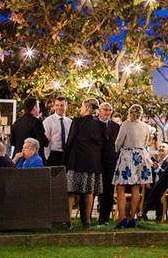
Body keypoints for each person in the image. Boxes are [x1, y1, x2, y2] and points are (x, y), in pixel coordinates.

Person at [63, 98, 104, 227]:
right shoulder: (100, 124)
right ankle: (87, 220)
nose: (80, 109)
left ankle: (67, 220)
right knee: (89, 191)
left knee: (71, 191)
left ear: (86, 108)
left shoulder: (77, 122)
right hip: (93, 163)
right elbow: (101, 144)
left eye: (81, 106)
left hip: (77, 161)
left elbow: (69, 142)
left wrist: (65, 161)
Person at [113, 104, 154, 228]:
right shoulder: (146, 126)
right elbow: (146, 142)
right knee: (135, 187)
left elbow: (119, 141)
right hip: (141, 155)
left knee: (120, 187)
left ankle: (122, 218)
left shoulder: (126, 124)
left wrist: (117, 149)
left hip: (128, 155)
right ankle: (132, 218)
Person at [97, 102, 120, 225]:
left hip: (110, 162)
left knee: (108, 191)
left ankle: (104, 218)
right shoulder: (94, 124)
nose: (107, 112)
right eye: (104, 109)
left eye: (109, 110)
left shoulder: (116, 126)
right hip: (96, 161)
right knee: (95, 190)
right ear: (99, 111)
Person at [42, 96, 72, 166]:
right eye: (57, 105)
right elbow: (46, 141)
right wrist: (47, 156)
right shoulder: (48, 121)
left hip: (66, 155)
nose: (59, 108)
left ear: (66, 106)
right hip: (53, 155)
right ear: (54, 107)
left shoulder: (70, 122)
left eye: (62, 105)